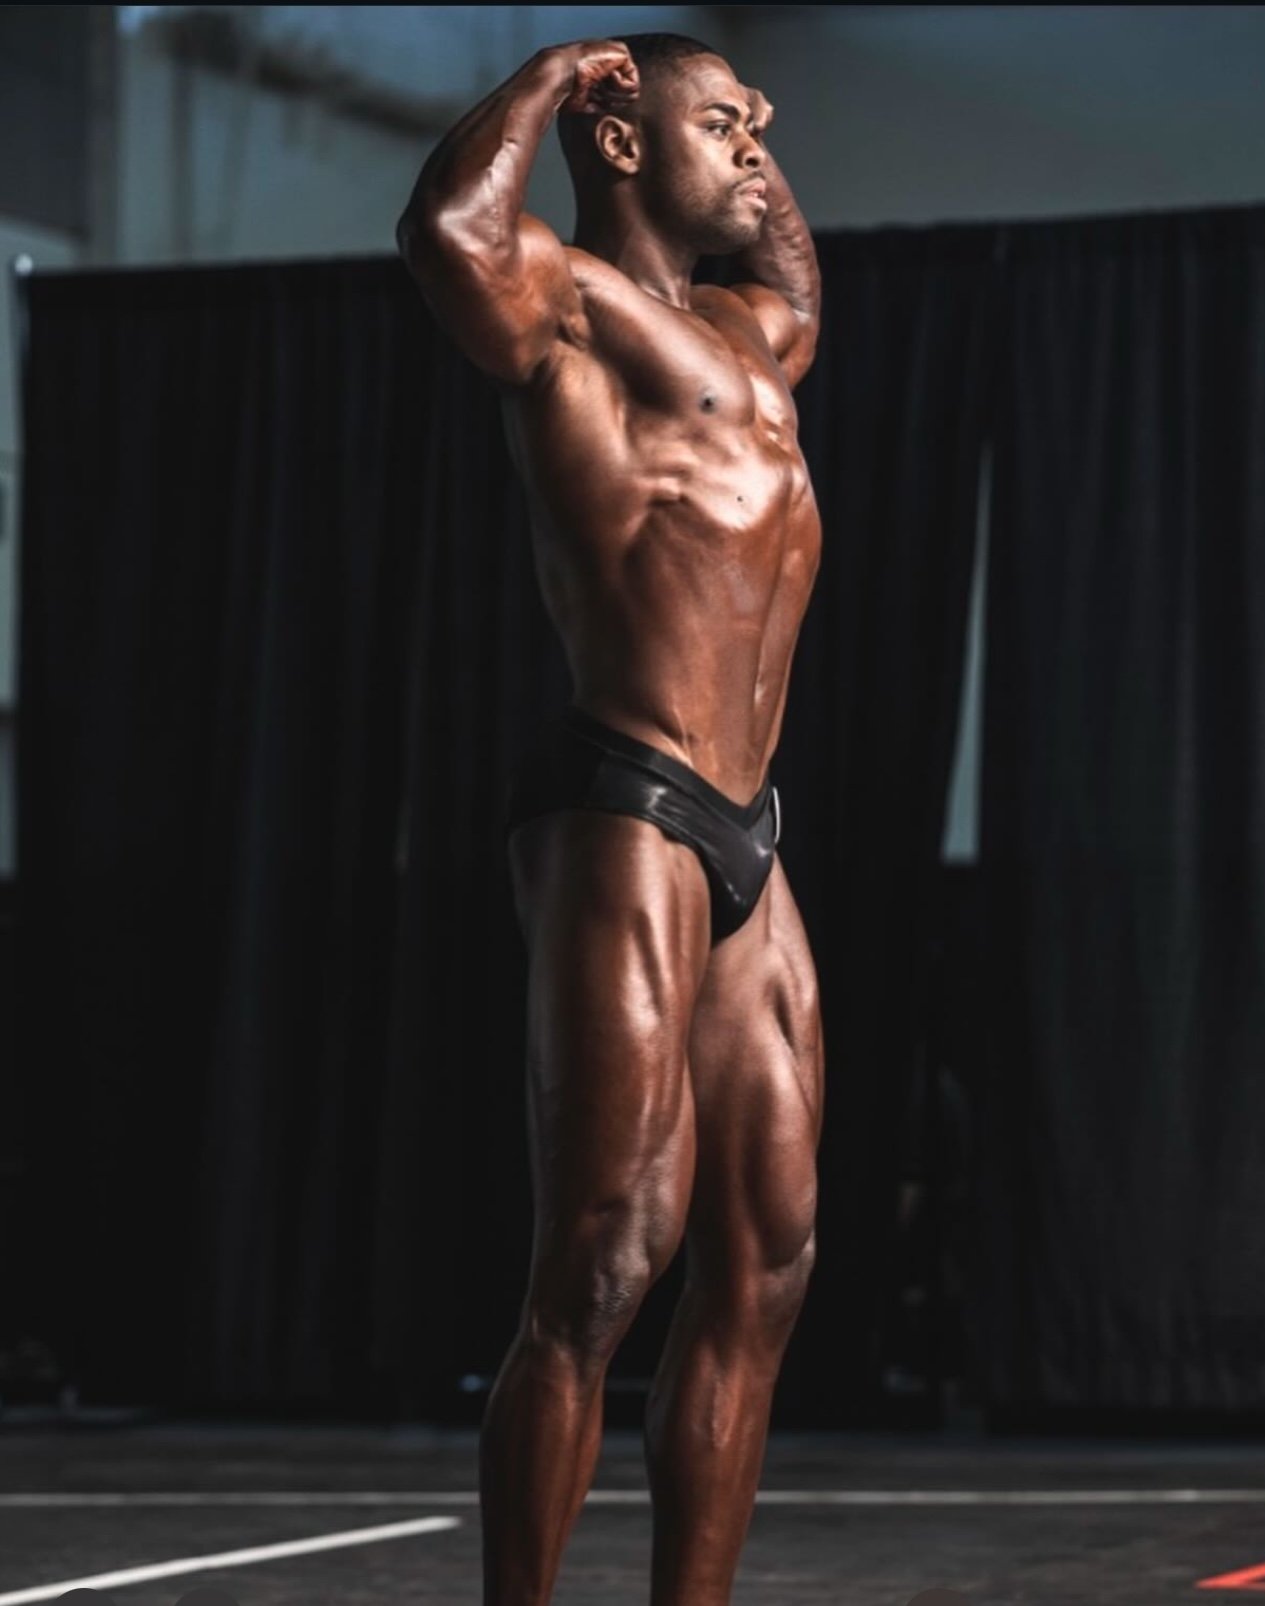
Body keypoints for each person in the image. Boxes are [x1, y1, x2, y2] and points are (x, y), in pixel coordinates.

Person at [397, 32, 824, 1606]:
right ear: (624, 141)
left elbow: (800, 279)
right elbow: (443, 234)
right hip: (625, 803)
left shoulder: (747, 336)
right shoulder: (563, 303)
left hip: (745, 830)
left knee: (765, 1260)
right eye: (721, 126)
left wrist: (742, 125)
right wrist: (546, 78)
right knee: (606, 1253)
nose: (757, 152)